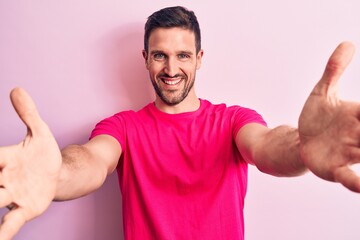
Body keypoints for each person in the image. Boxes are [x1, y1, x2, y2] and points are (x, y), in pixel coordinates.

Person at [0, 5, 359, 240]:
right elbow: (92, 161)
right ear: (145, 58)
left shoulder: (233, 120)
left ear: (199, 58)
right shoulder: (123, 127)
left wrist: (301, 147)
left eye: (183, 56)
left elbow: (266, 147)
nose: (171, 70)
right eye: (160, 56)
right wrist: (57, 174)